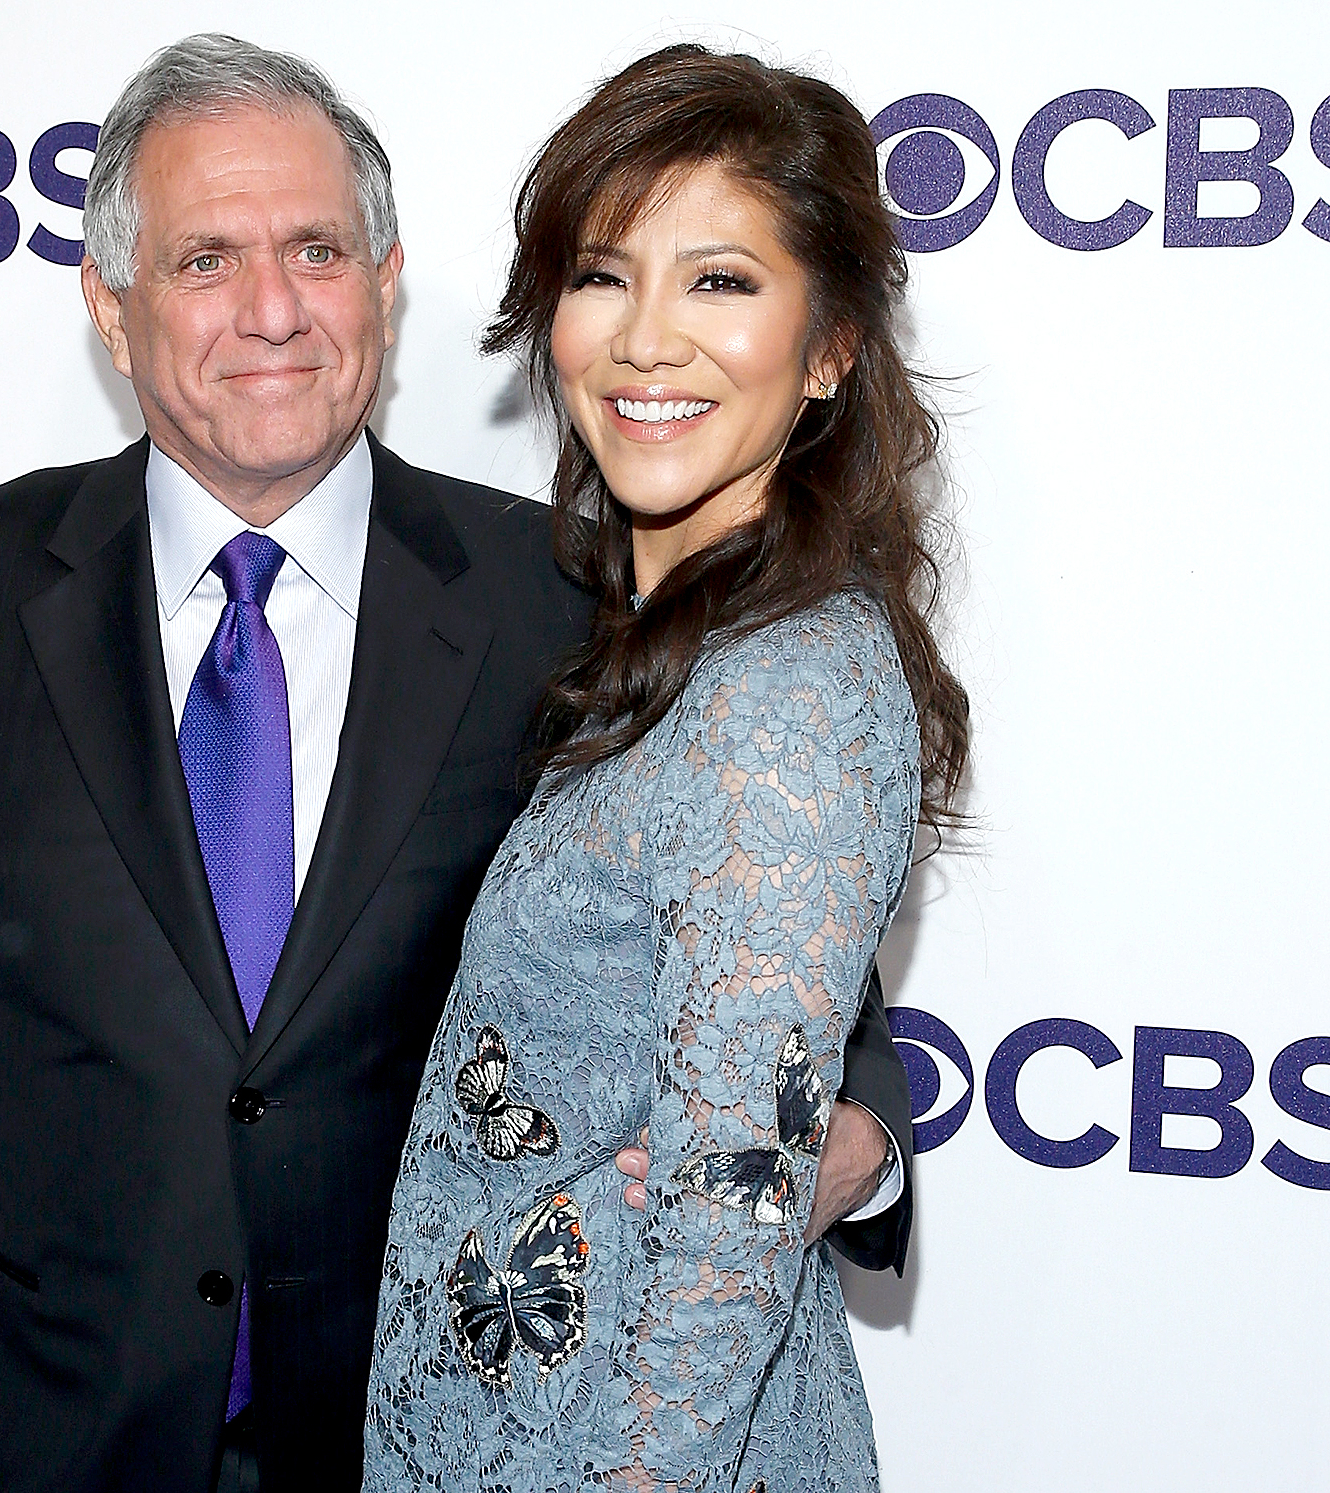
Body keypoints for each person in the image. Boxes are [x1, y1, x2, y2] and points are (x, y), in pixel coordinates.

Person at [0, 34, 914, 1493]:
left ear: (384, 287)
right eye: (207, 258)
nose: (272, 310)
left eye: (319, 249)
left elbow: (781, 967)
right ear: (110, 300)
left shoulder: (570, 596)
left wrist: (861, 1142)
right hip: (48, 1433)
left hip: (414, 1439)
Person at [363, 44, 968, 1493]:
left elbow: (732, 1202)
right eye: (601, 273)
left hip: (620, 1454)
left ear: (829, 348)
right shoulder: (640, 630)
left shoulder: (788, 690)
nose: (645, 339)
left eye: (719, 281)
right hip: (493, 1420)